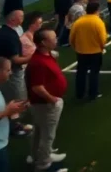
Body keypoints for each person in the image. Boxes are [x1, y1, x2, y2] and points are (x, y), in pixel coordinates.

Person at [25, 29, 67, 171]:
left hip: (45, 103)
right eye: (53, 38)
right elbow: (37, 87)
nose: (56, 40)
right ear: (43, 42)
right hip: (46, 104)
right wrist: (52, 100)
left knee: (39, 131)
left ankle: (38, 155)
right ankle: (44, 164)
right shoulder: (38, 63)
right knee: (47, 135)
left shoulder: (46, 55)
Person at [0, 9, 31, 138]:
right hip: (12, 73)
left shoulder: (6, 32)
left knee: (13, 99)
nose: (23, 19)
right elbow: (15, 60)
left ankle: (14, 124)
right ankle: (14, 127)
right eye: (21, 17)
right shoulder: (9, 36)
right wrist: (34, 57)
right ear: (12, 19)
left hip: (7, 71)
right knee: (18, 100)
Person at [69, 2, 106, 101]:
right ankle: (93, 94)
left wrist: (76, 47)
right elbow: (102, 39)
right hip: (95, 52)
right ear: (97, 10)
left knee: (81, 73)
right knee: (94, 73)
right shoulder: (98, 22)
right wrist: (102, 48)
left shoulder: (78, 22)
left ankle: (79, 94)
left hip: (81, 52)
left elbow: (71, 38)